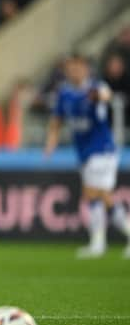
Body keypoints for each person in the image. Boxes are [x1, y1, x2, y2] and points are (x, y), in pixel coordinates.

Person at [45, 54, 130, 259]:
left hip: (102, 150)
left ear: (85, 69)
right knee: (99, 195)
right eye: (70, 68)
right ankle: (99, 242)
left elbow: (106, 95)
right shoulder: (64, 93)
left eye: (78, 67)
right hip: (84, 153)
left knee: (95, 194)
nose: (74, 71)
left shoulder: (94, 88)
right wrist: (51, 141)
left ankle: (99, 242)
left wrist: (99, 96)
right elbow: (57, 120)